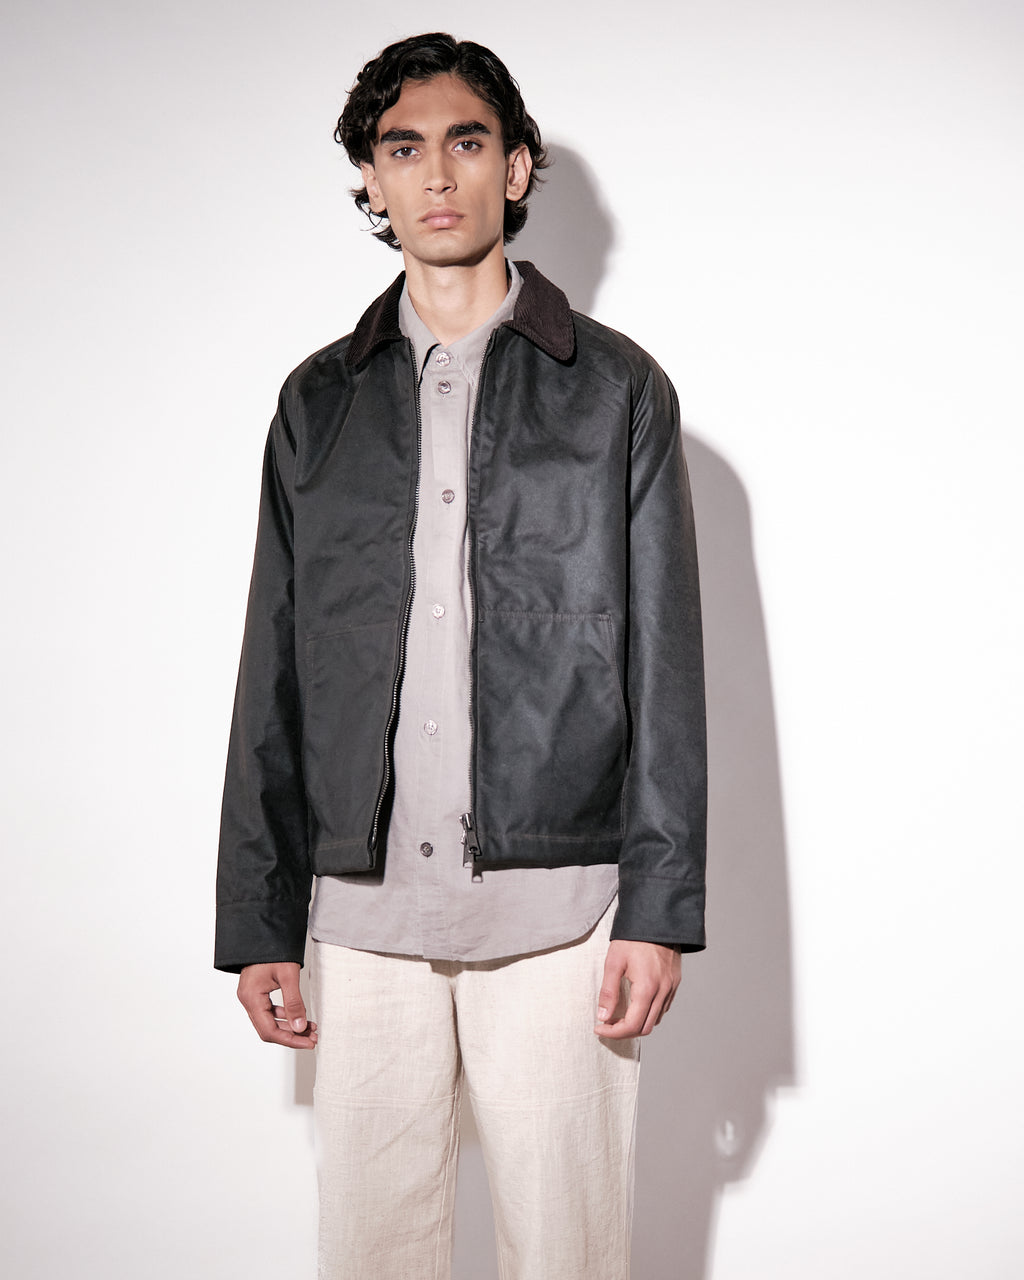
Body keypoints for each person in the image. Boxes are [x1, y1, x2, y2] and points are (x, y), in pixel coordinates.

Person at [215, 31, 706, 1280]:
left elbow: (665, 665)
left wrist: (658, 909)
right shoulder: (316, 405)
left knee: (568, 1256)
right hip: (364, 912)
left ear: (516, 167)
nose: (435, 173)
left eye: (467, 141)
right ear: (371, 182)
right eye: (402, 148)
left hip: (563, 910)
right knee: (373, 1255)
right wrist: (260, 916)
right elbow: (274, 667)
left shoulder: (617, 392)